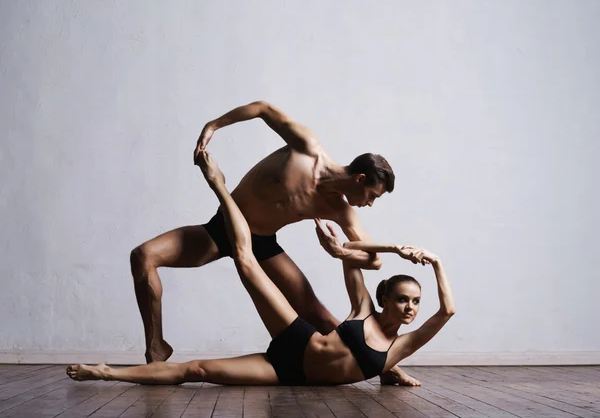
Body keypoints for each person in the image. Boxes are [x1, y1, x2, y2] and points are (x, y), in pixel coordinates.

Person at [66, 152, 456, 386]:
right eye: (403, 299)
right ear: (384, 298)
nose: (410, 307)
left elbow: (446, 311)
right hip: (298, 339)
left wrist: (389, 368)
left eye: (415, 302)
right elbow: (350, 253)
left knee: (198, 372)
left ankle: (109, 372)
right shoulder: (364, 309)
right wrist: (356, 251)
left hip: (290, 375)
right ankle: (218, 185)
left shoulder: (401, 347)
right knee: (246, 259)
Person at [131, 100, 417, 385]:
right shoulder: (307, 147)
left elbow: (374, 260)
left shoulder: (339, 209)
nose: (369, 204)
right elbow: (263, 109)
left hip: (263, 244)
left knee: (314, 311)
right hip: (220, 230)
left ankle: (384, 367)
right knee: (143, 256)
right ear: (360, 178)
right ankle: (156, 346)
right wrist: (213, 125)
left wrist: (338, 252)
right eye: (372, 196)